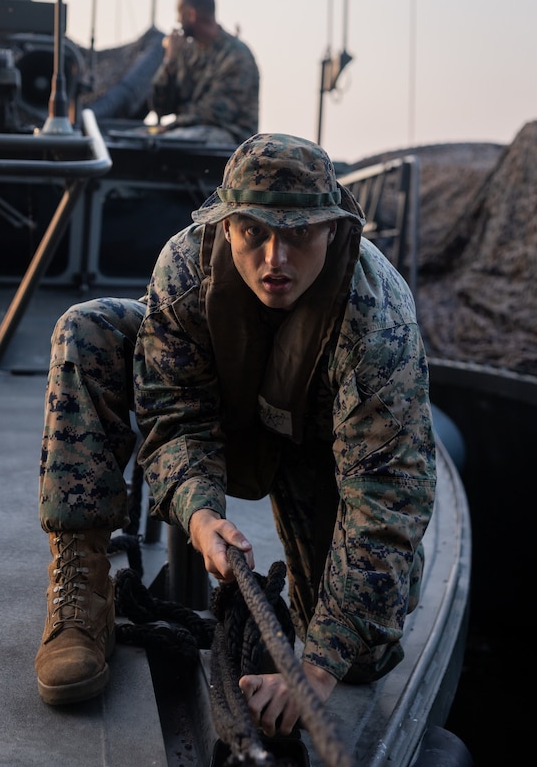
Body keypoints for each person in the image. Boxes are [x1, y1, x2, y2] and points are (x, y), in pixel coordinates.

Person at [35, 133, 436, 736]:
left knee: (361, 661)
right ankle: (80, 594)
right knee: (87, 329)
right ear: (226, 228)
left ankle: (357, 610)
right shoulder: (185, 268)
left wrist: (315, 669)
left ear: (333, 230)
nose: (275, 258)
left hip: (318, 445)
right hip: (224, 401)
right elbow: (175, 413)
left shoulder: (378, 321)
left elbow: (387, 493)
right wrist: (200, 515)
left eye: (299, 234)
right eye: (253, 232)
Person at [148, 0, 259, 145]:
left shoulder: (236, 56)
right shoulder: (187, 52)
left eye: (179, 14)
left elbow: (214, 114)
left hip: (232, 141)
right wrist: (170, 62)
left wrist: (170, 127)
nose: (177, 20)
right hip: (187, 132)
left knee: (172, 142)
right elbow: (160, 107)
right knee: (134, 139)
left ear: (191, 14)